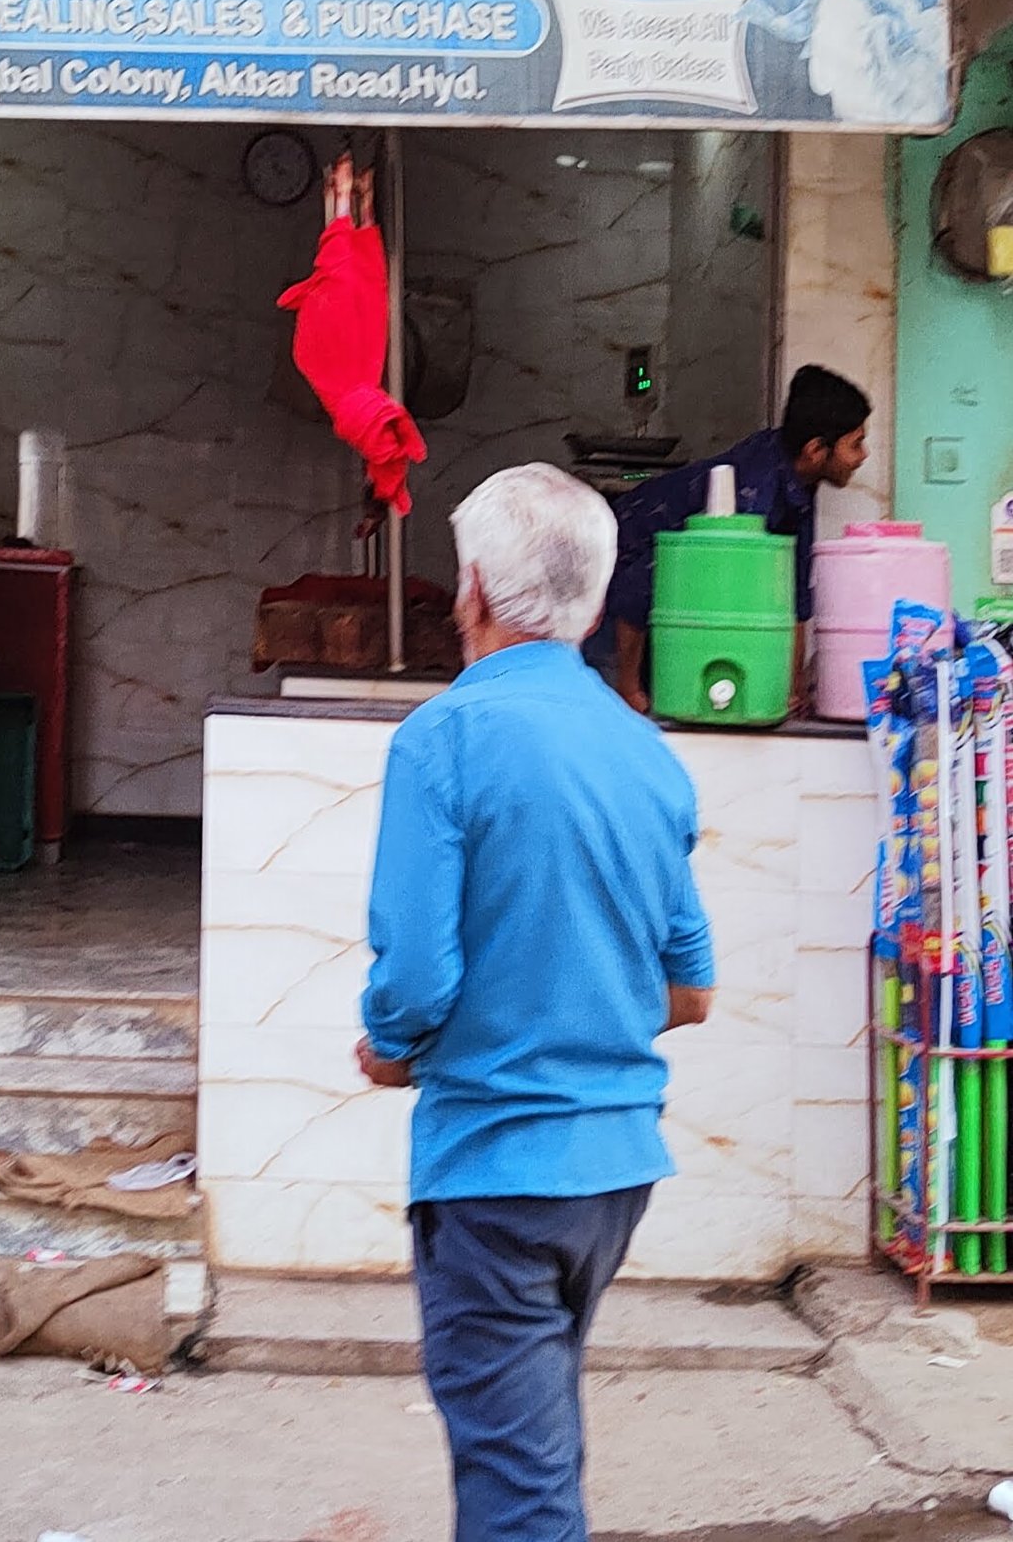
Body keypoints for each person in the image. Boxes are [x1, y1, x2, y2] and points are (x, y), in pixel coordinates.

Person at [357, 463, 714, 1542]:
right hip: (611, 1175)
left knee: (521, 1490)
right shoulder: (648, 756)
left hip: (496, 1169)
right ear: (596, 605)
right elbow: (688, 989)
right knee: (536, 1434)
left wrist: (388, 1047)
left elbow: (417, 981)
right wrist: (581, 1003)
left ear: (469, 588)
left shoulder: (441, 740)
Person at [608, 364, 871, 715]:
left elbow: (793, 597)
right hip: (614, 589)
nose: (863, 456)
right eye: (856, 444)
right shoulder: (748, 501)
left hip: (656, 608)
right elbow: (637, 588)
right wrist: (627, 687)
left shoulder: (798, 481)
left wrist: (791, 690)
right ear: (815, 450)